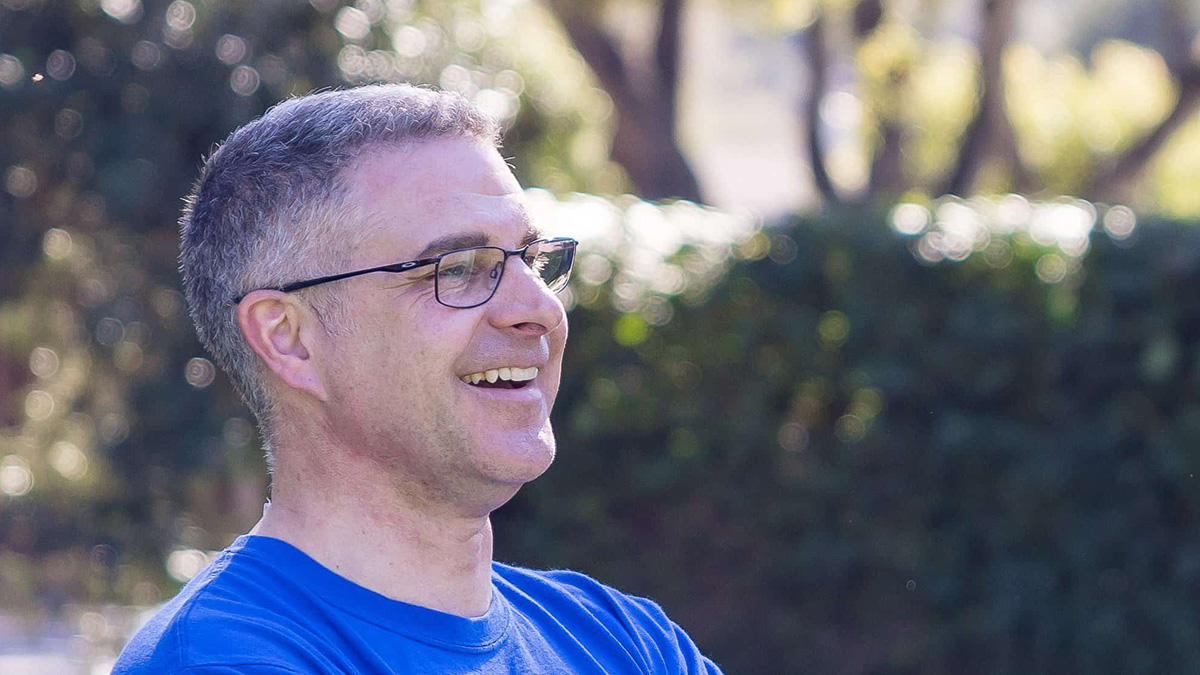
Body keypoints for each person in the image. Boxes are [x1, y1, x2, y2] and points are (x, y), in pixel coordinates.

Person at [113, 84, 722, 674]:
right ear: (288, 338)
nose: (537, 308)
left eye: (532, 259)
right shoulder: (224, 660)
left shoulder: (626, 642)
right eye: (457, 268)